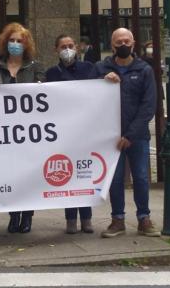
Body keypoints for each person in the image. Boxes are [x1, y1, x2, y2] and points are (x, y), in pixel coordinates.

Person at [92, 28, 160, 238]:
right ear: (112, 45)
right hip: (110, 136)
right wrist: (102, 78)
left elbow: (148, 106)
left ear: (133, 43)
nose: (123, 45)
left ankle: (144, 218)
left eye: (126, 41)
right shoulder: (101, 68)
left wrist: (129, 135)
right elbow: (87, 91)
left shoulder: (144, 70)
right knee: (115, 179)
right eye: (119, 41)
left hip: (136, 137)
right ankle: (117, 220)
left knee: (140, 177)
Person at [0, 22, 45, 234]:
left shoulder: (35, 67)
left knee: (28, 175)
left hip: (28, 132)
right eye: (12, 41)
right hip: (4, 132)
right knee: (9, 175)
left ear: (26, 45)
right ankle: (13, 215)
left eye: (19, 41)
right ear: (6, 43)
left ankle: (27, 216)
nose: (15, 44)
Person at [45, 34, 95, 234]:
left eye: (70, 45)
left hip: (85, 130)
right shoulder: (51, 73)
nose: (67, 49)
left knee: (84, 174)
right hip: (63, 131)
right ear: (56, 50)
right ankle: (71, 219)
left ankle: (87, 218)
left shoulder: (89, 69)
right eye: (63, 46)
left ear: (77, 48)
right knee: (67, 173)